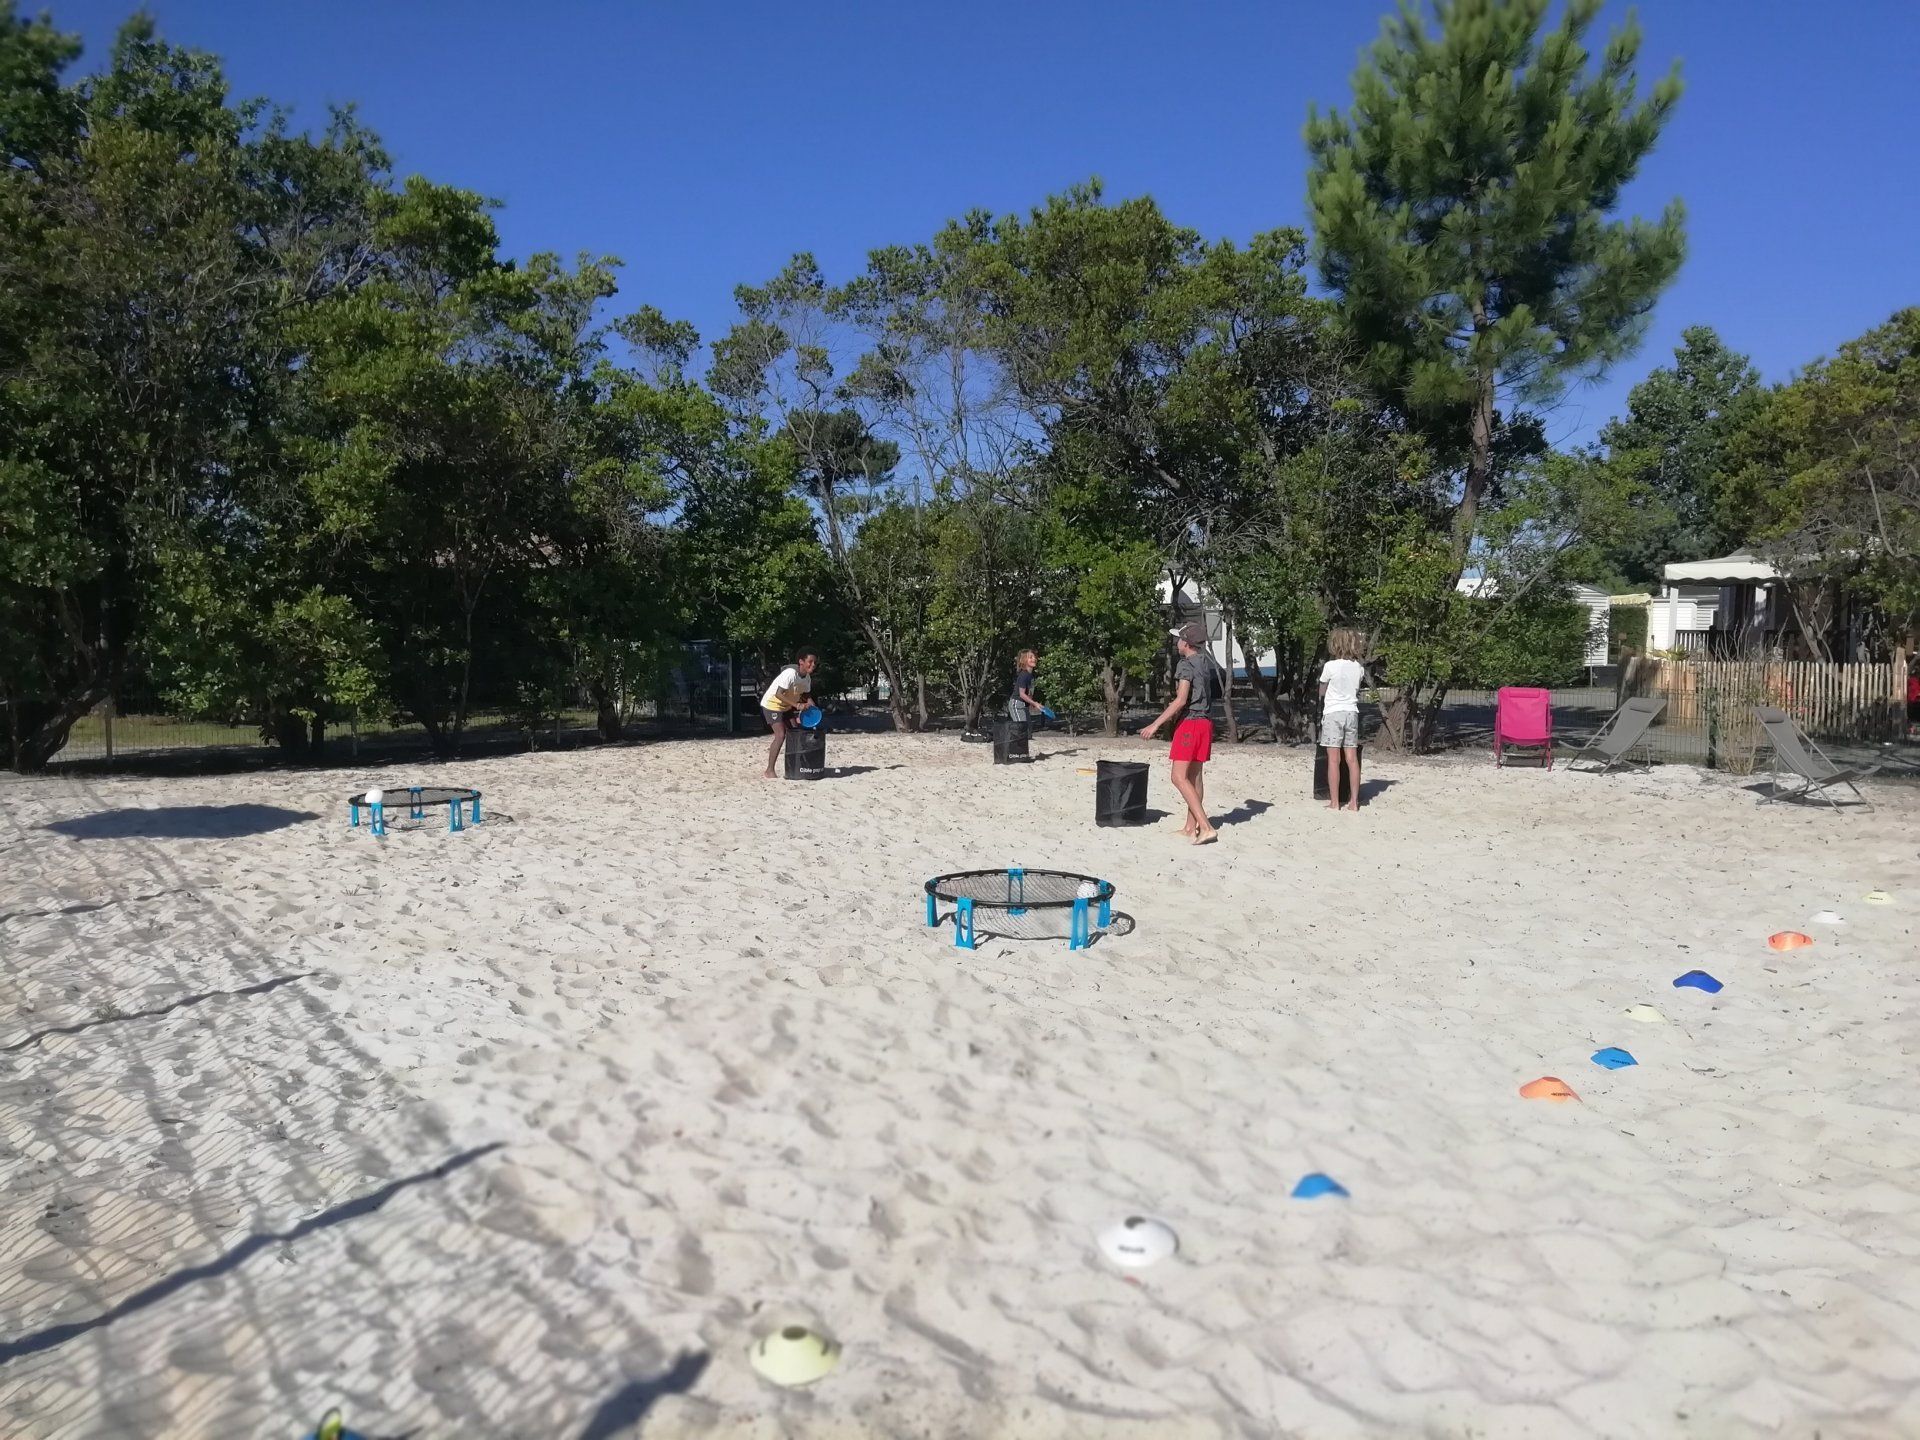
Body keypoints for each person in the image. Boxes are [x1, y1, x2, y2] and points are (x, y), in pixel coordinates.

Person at [1141, 623, 1220, 845]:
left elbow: (1181, 699)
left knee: (1178, 777)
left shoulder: (1185, 665)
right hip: (1205, 723)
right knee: (1195, 777)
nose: (1176, 643)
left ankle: (1205, 827)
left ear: (1186, 643)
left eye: (1179, 639)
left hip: (1191, 724)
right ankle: (1190, 827)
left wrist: (1155, 724)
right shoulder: (1205, 662)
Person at [1318, 630, 1366, 812]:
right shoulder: (1358, 668)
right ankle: (1354, 802)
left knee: (1333, 759)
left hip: (1333, 713)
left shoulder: (1330, 666)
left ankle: (1335, 802)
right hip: (1351, 712)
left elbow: (1322, 690)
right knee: (1352, 759)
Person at [760, 646, 819, 778]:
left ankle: (795, 766)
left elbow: (805, 693)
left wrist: (810, 702)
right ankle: (769, 770)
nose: (813, 665)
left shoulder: (806, 677)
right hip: (772, 705)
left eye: (815, 662)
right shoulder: (790, 674)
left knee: (795, 733)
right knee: (780, 735)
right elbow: (779, 694)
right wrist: (797, 705)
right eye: (810, 661)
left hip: (786, 707)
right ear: (801, 662)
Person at [1008, 649, 1043, 729]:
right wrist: (1034, 703)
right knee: (1021, 729)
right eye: (1030, 657)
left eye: (1034, 657)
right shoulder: (1024, 675)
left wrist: (1033, 703)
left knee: (1026, 730)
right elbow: (1022, 694)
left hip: (1023, 705)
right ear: (1024, 660)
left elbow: (1028, 693)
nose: (1034, 659)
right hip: (1016, 705)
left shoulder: (1030, 675)